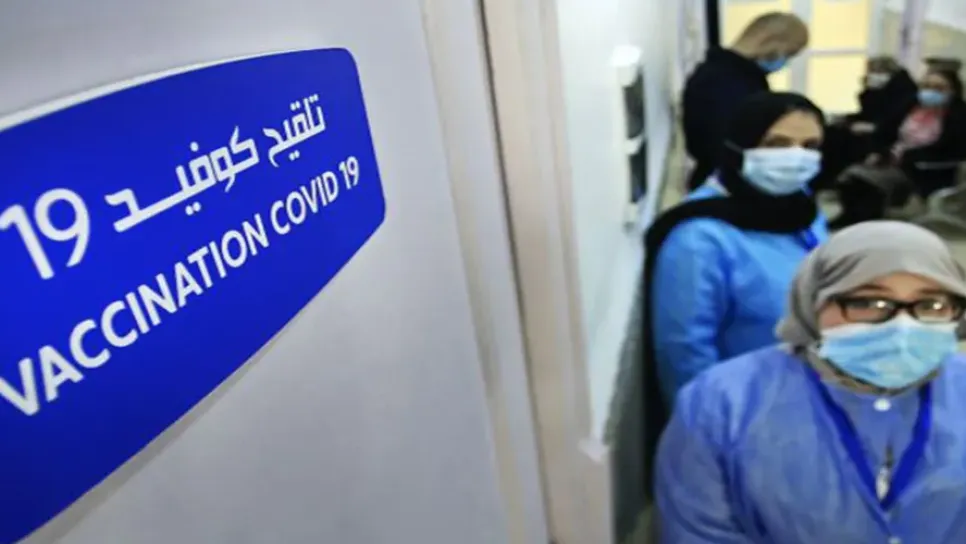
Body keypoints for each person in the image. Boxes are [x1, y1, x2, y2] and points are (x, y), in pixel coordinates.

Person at [655, 220, 966, 542]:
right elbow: (699, 530)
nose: (903, 327)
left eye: (931, 305)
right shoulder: (721, 402)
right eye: (868, 303)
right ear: (812, 304)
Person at [647, 91, 828, 407]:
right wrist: (713, 425)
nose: (795, 157)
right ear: (739, 147)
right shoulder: (698, 238)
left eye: (810, 146)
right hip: (746, 407)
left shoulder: (799, 207)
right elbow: (685, 353)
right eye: (777, 144)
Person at [682, 12, 809, 190]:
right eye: (788, 54)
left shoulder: (730, 73)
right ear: (773, 45)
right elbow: (723, 144)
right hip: (726, 182)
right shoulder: (726, 81)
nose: (785, 62)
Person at [831, 67, 966, 228]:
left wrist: (911, 156)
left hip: (924, 168)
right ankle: (851, 217)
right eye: (926, 86)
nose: (930, 92)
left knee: (868, 181)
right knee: (850, 176)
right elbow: (884, 132)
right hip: (891, 159)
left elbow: (954, 150)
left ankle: (866, 221)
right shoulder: (909, 107)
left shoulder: (959, 116)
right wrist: (878, 151)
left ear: (952, 91)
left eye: (938, 88)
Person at [819, 57, 917, 187]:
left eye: (878, 71)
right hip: (873, 129)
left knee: (845, 142)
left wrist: (874, 127)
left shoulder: (904, 93)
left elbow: (894, 118)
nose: (873, 75)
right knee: (832, 133)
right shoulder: (879, 91)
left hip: (885, 134)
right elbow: (868, 112)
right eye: (871, 71)